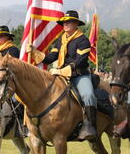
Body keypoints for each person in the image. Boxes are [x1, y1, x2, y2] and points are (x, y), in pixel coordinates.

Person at [27, 10, 97, 140]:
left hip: (78, 75)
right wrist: (34, 52)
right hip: (60, 74)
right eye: (64, 22)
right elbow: (51, 58)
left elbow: (80, 61)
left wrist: (63, 70)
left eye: (68, 22)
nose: (65, 24)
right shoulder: (60, 40)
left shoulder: (83, 40)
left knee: (88, 95)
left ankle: (90, 126)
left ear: (76, 24)